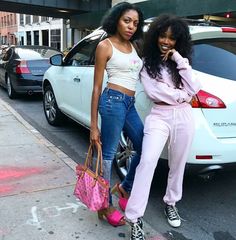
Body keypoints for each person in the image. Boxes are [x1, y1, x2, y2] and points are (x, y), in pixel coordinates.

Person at [125, 14, 201, 239]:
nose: (166, 41)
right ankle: (135, 217)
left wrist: (178, 58)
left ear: (179, 41)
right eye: (162, 36)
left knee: (178, 164)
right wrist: (183, 95)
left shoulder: (180, 62)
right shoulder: (147, 63)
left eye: (172, 38)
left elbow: (195, 87)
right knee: (147, 161)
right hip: (159, 116)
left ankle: (171, 202)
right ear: (155, 36)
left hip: (184, 117)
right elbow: (155, 91)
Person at [90, 2, 144, 227]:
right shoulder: (105, 45)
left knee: (144, 146)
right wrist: (94, 126)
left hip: (129, 103)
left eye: (135, 23)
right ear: (116, 20)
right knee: (108, 154)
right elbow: (96, 87)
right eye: (127, 20)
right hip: (112, 101)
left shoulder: (135, 46)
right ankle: (105, 205)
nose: (131, 26)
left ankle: (125, 186)